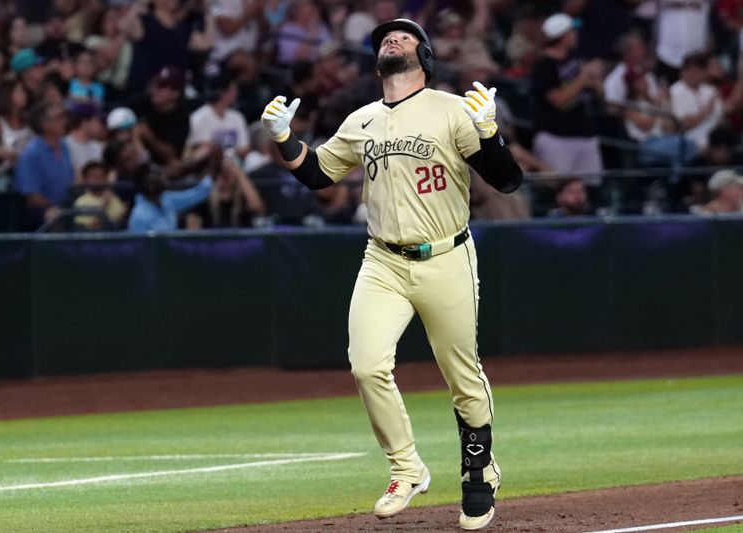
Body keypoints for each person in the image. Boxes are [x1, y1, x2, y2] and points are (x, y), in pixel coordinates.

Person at [260, 17, 522, 530]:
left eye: (404, 35)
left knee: (462, 375)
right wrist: (284, 138)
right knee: (365, 365)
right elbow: (317, 173)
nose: (392, 38)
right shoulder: (361, 119)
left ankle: (478, 471)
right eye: (386, 36)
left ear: (424, 55)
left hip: (446, 255)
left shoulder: (451, 109)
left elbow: (508, 180)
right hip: (382, 259)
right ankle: (406, 467)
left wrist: (489, 133)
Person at [530, 13, 604, 187]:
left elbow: (601, 97)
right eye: (572, 32)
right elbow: (557, 100)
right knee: (560, 190)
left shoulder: (577, 59)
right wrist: (582, 78)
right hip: (556, 139)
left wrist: (596, 80)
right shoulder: (544, 66)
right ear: (562, 37)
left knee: (592, 191)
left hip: (585, 135)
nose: (575, 35)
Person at [14, 100, 74, 230]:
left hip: (66, 206)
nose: (64, 121)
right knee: (53, 216)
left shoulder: (64, 146)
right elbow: (31, 196)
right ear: (44, 124)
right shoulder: (31, 154)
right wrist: (54, 208)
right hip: (40, 213)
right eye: (59, 118)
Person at [127, 165, 214, 233]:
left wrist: (212, 174)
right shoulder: (139, 216)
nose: (164, 176)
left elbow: (197, 194)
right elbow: (137, 250)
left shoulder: (167, 199)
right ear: (150, 186)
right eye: (158, 175)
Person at [73, 160, 128, 230]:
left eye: (100, 175)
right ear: (85, 179)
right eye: (93, 176)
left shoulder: (113, 197)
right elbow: (92, 229)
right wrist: (104, 204)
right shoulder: (81, 202)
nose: (97, 179)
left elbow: (121, 220)